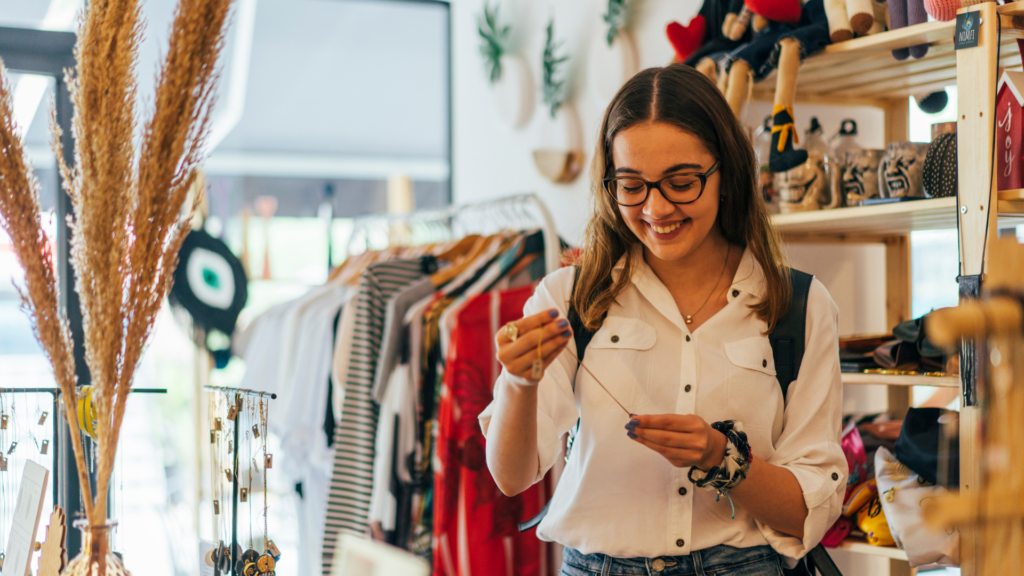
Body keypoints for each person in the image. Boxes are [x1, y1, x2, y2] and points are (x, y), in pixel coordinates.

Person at [479, 64, 846, 575]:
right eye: (631, 185)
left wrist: (724, 459)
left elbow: (808, 509)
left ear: (726, 172)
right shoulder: (569, 298)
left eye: (681, 182)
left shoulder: (798, 306)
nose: (655, 208)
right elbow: (512, 476)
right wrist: (519, 384)